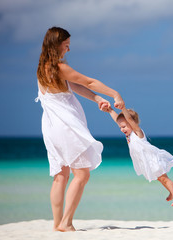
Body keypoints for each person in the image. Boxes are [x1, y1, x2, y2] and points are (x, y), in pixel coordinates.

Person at [35, 26, 124, 232]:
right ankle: (66, 223)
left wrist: (97, 99)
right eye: (66, 46)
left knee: (61, 176)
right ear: (56, 45)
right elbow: (88, 81)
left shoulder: (42, 68)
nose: (68, 50)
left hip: (51, 128)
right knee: (82, 175)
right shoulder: (59, 67)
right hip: (65, 127)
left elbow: (73, 86)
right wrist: (114, 93)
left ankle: (58, 224)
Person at [106, 106, 173, 206]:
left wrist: (123, 108)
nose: (122, 129)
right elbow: (117, 120)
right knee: (161, 178)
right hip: (147, 161)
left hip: (152, 159)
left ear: (133, 123)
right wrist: (110, 110)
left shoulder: (137, 132)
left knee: (164, 178)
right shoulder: (128, 135)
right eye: (120, 127)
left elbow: (128, 119)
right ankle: (172, 193)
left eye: (124, 126)